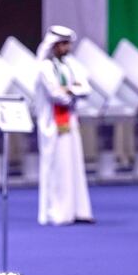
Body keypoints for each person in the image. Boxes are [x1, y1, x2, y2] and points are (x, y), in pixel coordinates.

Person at [35, 25, 94, 225]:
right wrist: (71, 91)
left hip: (70, 122)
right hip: (53, 125)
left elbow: (85, 88)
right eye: (63, 44)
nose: (66, 47)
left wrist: (68, 90)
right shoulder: (44, 67)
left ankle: (77, 210)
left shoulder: (71, 65)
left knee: (73, 164)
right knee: (58, 167)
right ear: (54, 45)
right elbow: (55, 95)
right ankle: (58, 212)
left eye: (68, 44)